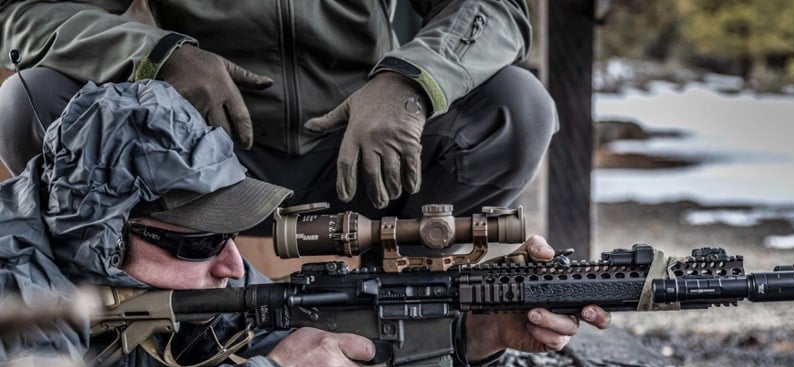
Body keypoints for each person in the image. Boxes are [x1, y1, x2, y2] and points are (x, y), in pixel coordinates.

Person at [0, 80, 609, 367]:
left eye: (230, 235)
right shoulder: (17, 283)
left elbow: (320, 356)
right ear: (104, 234)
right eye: (196, 245)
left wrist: (481, 329)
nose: (231, 266)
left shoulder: (169, 277)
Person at [0, 1, 555, 234]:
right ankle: (150, 308)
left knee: (518, 108)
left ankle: (408, 312)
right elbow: (23, 14)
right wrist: (161, 54)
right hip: (197, 160)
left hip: (366, 151)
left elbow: (495, 8)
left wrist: (408, 81)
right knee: (31, 100)